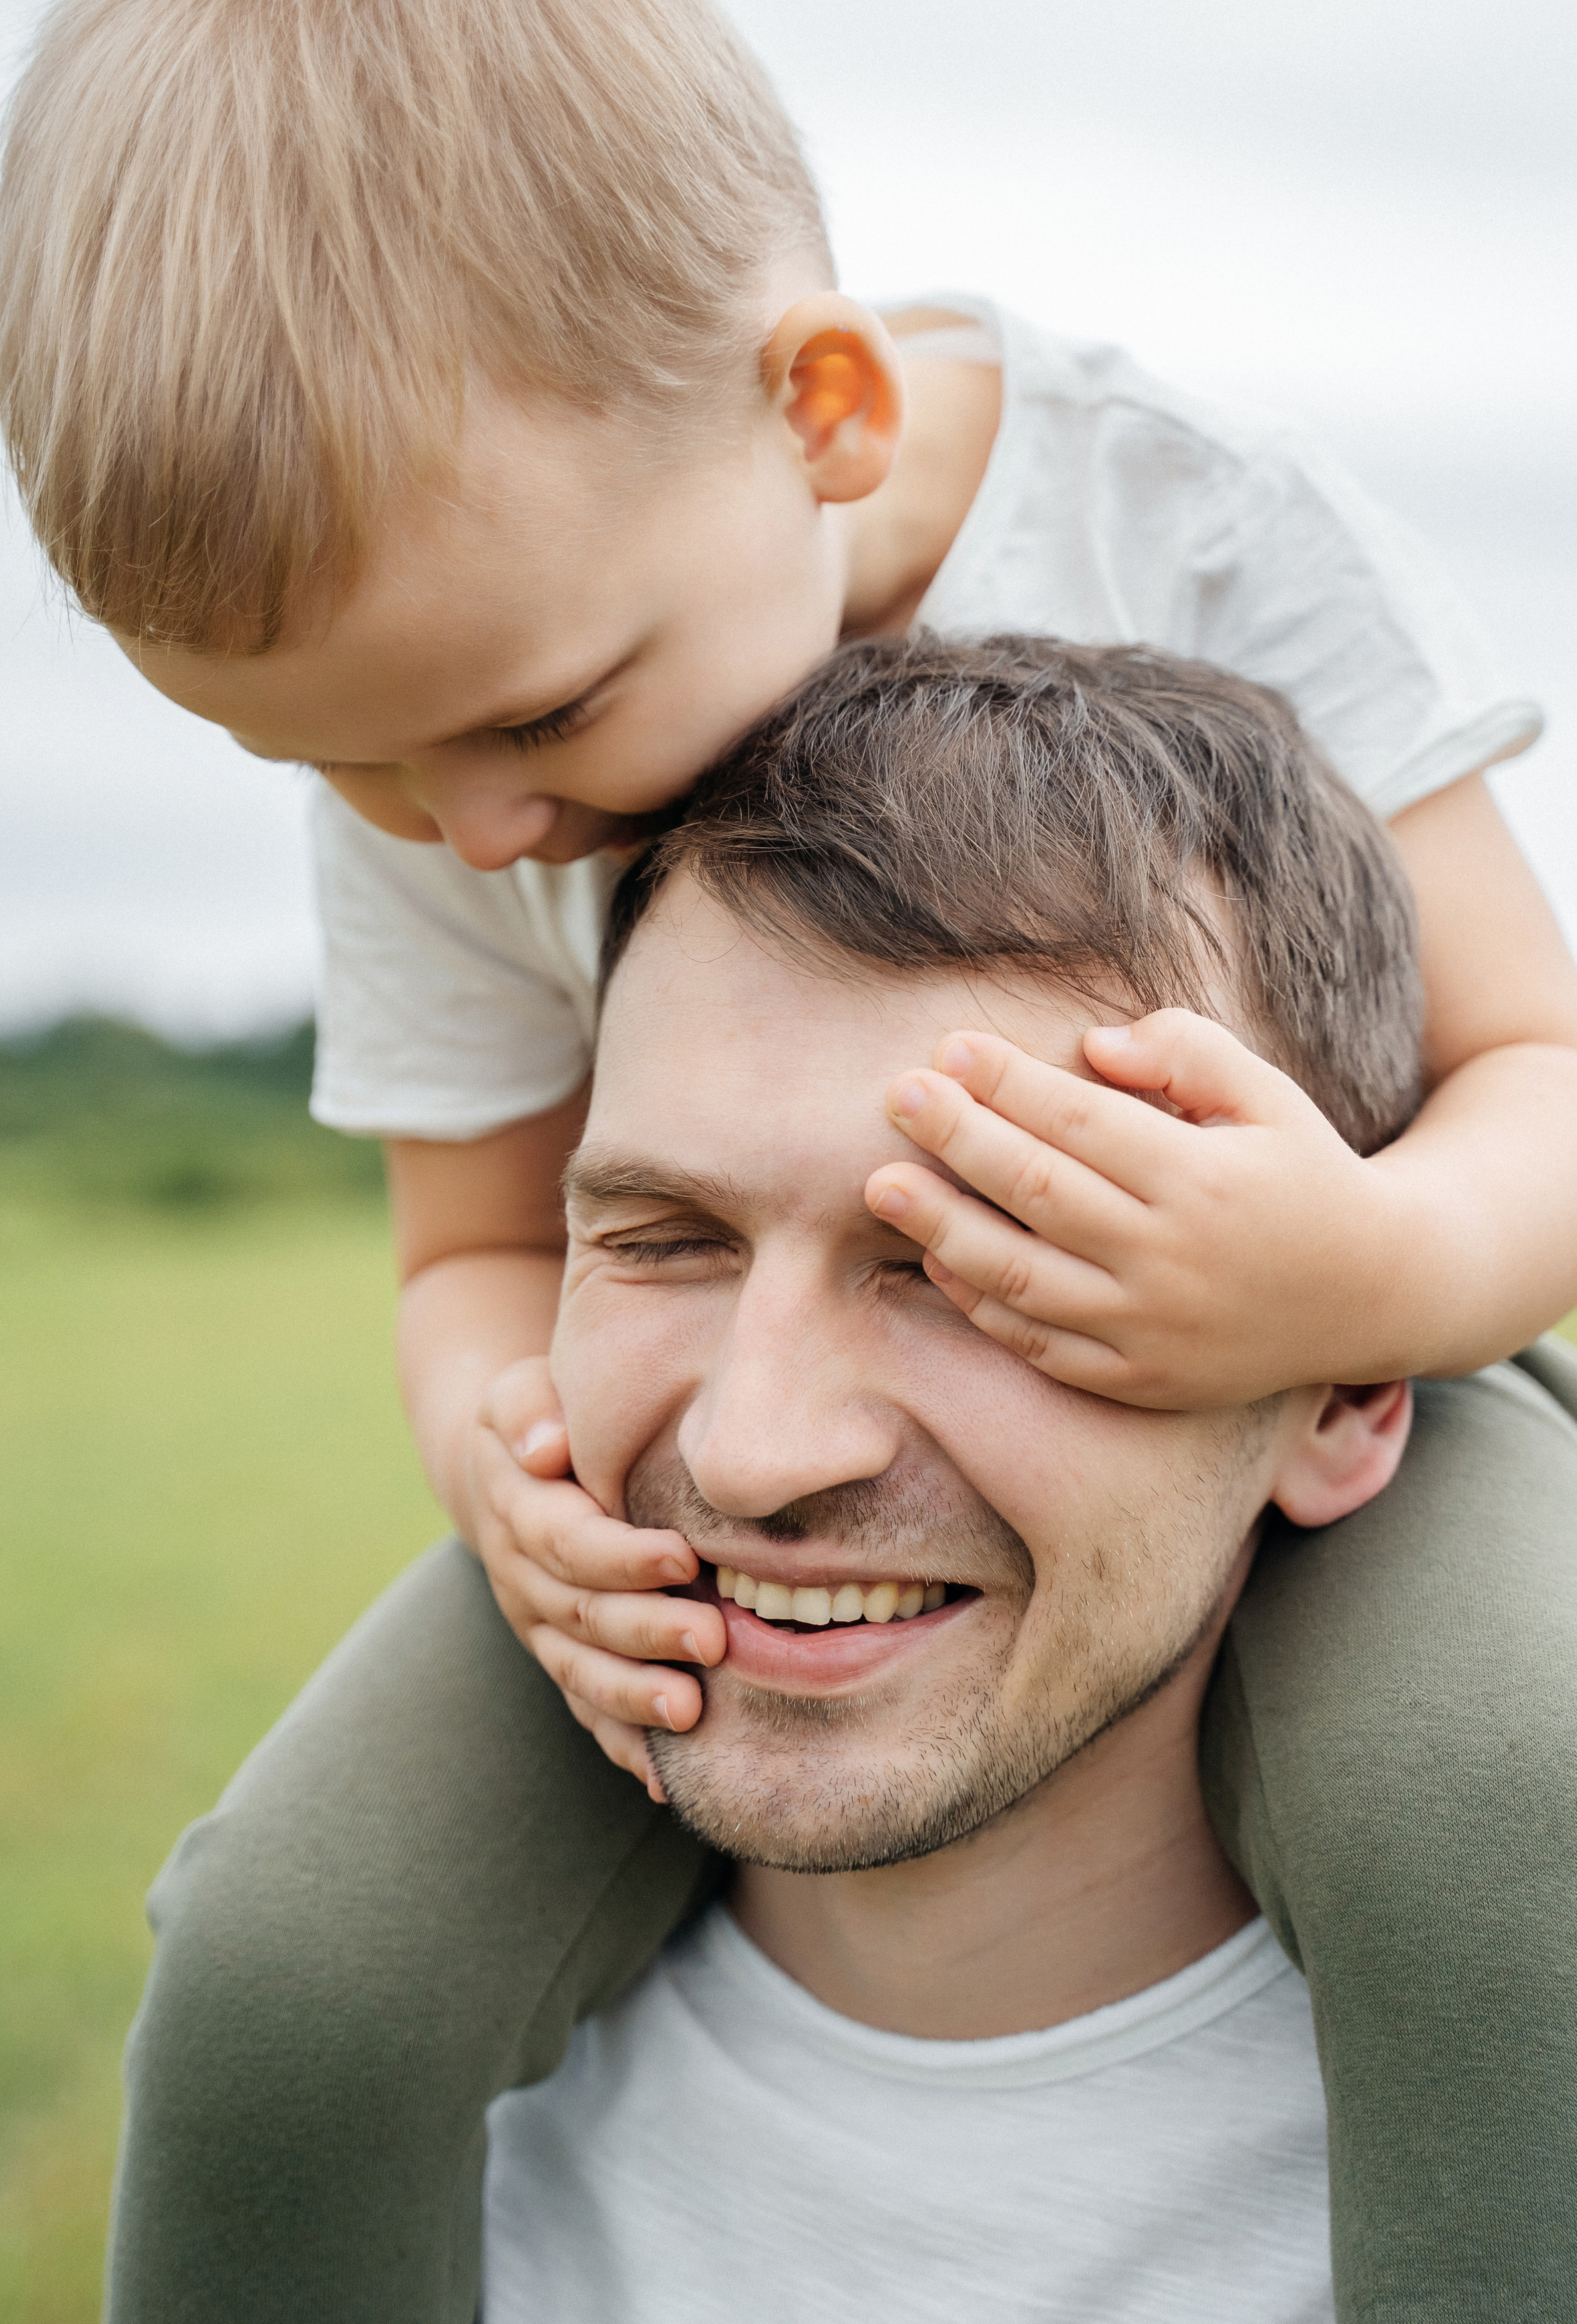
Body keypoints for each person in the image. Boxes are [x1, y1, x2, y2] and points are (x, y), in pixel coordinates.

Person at [0, 0, 1577, 2322]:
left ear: (821, 410)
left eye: (533, 720)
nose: (476, 831)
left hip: (1344, 1353)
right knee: (303, 1946)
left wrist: (1348, 1267)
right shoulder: (440, 737)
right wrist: (506, 1470)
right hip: (695, 1540)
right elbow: (484, 1249)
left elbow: (1542, 1070)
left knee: (1515, 1801)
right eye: (359, 777)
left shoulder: (1201, 529)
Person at [484, 632, 1434, 2319]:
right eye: (659, 1237)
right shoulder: (398, 2137)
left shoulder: (1489, 2182)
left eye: (980, 1261)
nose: (747, 1451)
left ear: (1343, 1391)